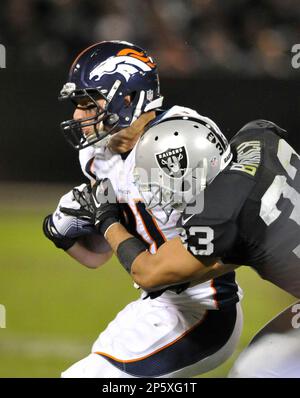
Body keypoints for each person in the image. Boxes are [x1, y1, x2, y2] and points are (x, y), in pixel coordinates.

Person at [43, 40, 243, 378]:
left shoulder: (179, 141)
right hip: (157, 302)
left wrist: (106, 219)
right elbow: (100, 254)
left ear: (127, 98)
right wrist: (63, 230)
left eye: (88, 102)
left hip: (204, 307)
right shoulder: (95, 155)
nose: (77, 114)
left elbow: (228, 240)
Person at [71, 116, 300, 377]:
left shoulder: (220, 217)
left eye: (167, 183)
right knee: (261, 361)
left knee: (257, 371)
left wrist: (108, 221)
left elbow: (147, 273)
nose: (160, 195)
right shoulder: (256, 137)